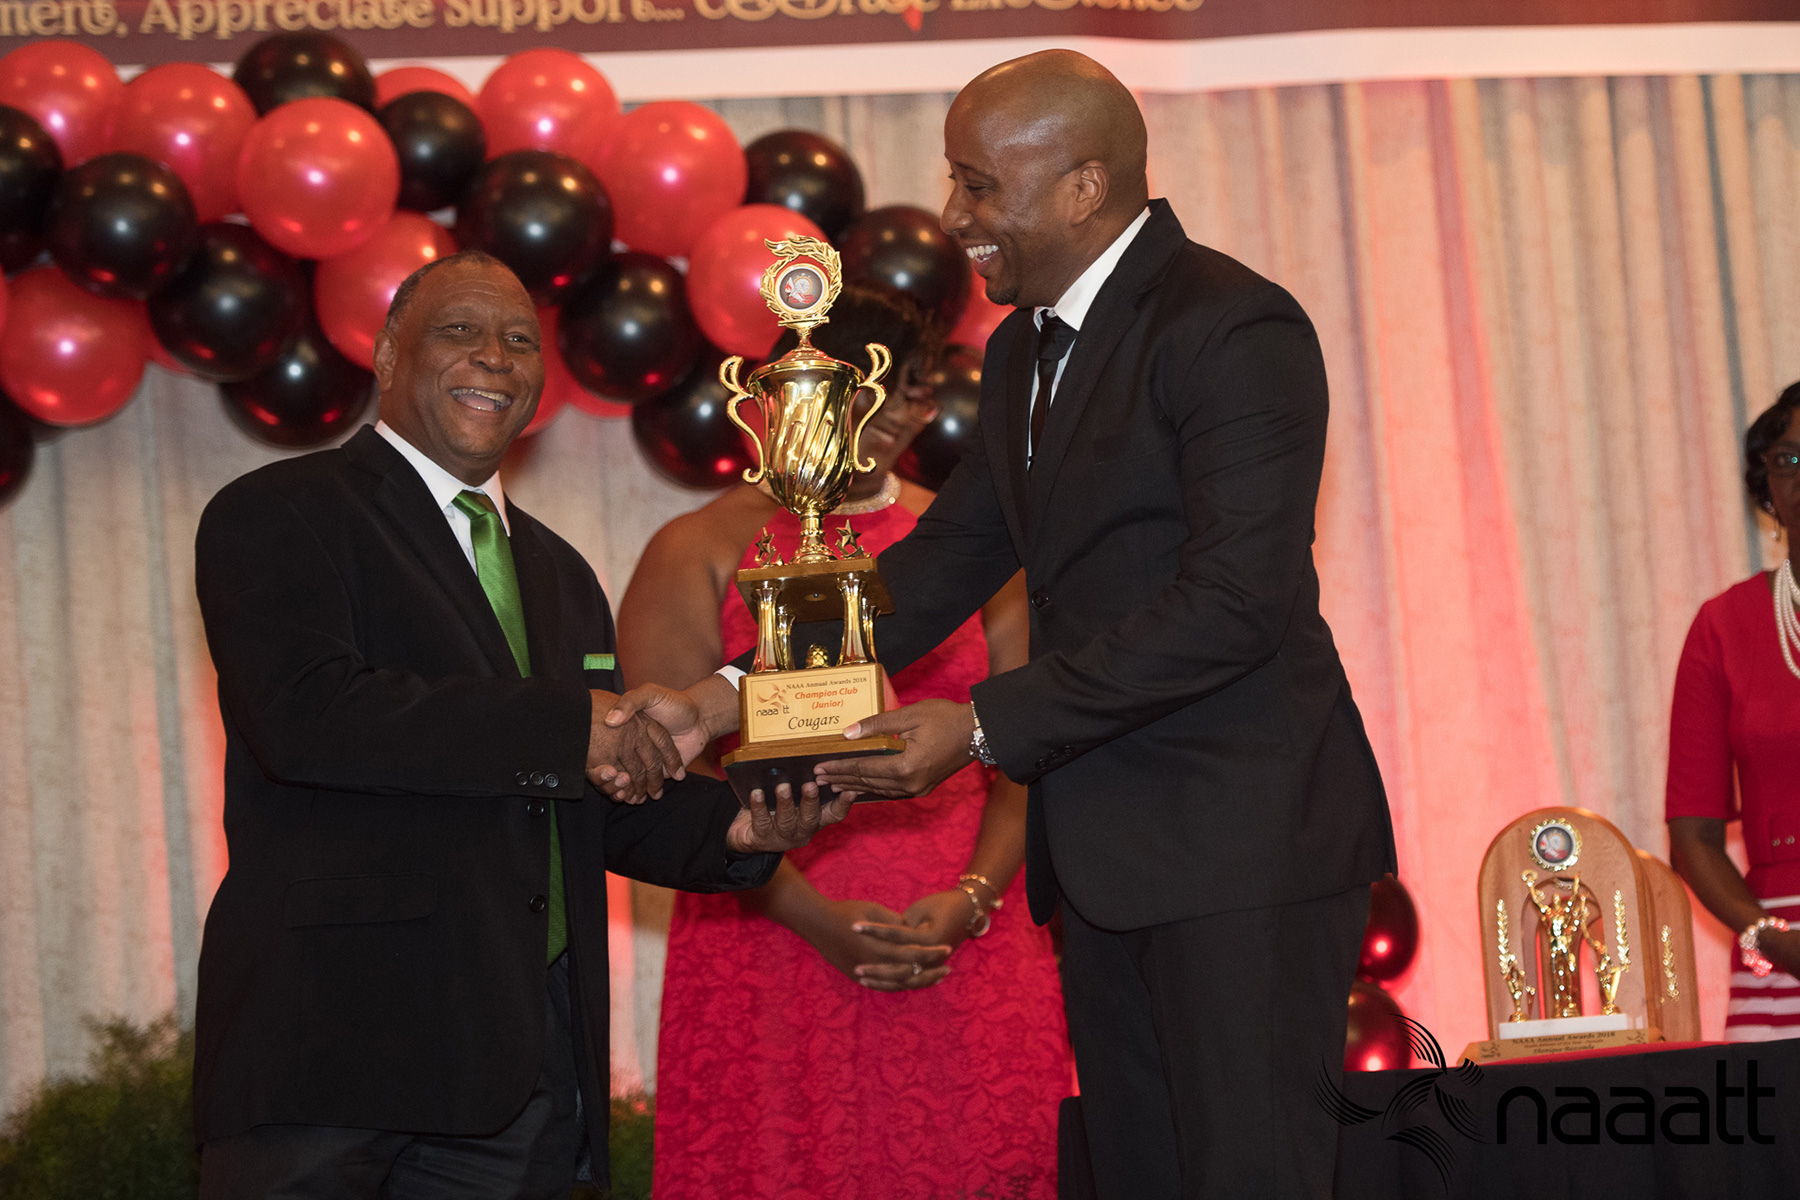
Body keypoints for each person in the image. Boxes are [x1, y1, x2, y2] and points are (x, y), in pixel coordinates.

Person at [614, 51, 1394, 1200]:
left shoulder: (1232, 327)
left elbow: (1237, 602)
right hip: (1103, 862)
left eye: (979, 184)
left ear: (1083, 187)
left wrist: (980, 726)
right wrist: (724, 699)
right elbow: (942, 564)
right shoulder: (1028, 346)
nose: (953, 215)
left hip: (1241, 852)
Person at [189, 250, 847, 1200]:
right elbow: (308, 717)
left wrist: (737, 830)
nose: (494, 357)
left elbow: (590, 791)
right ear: (387, 354)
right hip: (330, 1057)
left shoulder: (560, 572)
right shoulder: (282, 511)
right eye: (459, 331)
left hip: (521, 1078)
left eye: (519, 341)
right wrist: (568, 726)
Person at [618, 287, 1071, 1199]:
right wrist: (810, 914)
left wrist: (975, 897)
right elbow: (670, 774)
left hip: (962, 929)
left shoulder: (973, 547)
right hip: (765, 926)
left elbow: (1029, 738)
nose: (898, 410)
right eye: (871, 386)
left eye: (914, 387)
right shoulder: (698, 545)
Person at [1668, 381, 1800, 1043]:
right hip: (1780, 955)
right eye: (1788, 459)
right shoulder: (1724, 627)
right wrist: (1768, 938)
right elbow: (1693, 838)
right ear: (1766, 490)